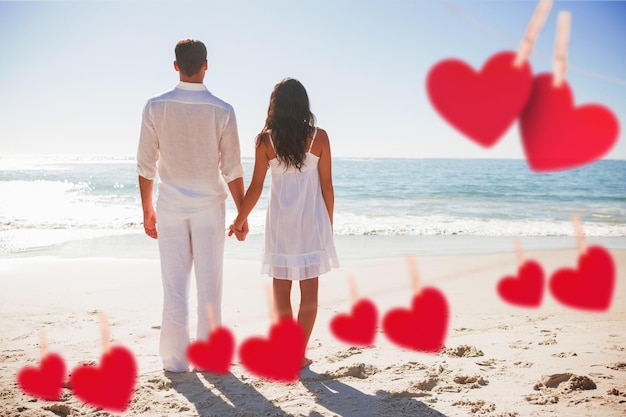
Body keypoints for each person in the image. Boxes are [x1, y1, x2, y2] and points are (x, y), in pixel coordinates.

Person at [137, 39, 247, 373]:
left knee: (174, 289)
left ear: (175, 66)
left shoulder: (156, 106)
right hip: (210, 209)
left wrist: (147, 211)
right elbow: (232, 168)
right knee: (209, 288)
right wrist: (242, 215)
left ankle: (174, 361)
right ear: (206, 65)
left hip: (170, 208)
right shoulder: (222, 109)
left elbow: (145, 166)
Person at [229, 78, 339, 366]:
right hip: (311, 222)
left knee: (281, 287)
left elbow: (255, 188)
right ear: (303, 104)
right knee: (309, 290)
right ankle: (298, 353)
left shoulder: (266, 140)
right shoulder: (320, 138)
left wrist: (239, 220)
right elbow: (327, 187)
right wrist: (327, 225)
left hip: (280, 223)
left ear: (275, 105)